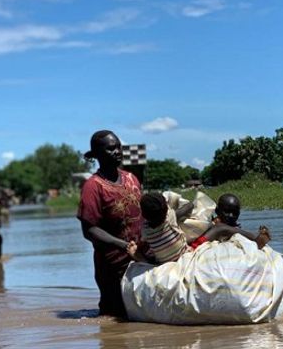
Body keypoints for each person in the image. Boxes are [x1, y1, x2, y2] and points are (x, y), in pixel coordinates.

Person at [77, 130, 151, 317]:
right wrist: (123, 246)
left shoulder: (131, 178)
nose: (117, 151)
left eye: (118, 147)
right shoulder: (93, 187)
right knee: (114, 318)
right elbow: (89, 230)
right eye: (111, 149)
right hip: (112, 267)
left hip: (140, 260)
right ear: (98, 154)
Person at [129, 192, 271, 264]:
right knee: (221, 228)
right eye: (226, 211)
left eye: (234, 213)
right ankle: (255, 238)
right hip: (186, 254)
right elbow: (189, 207)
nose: (231, 216)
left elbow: (144, 242)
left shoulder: (145, 229)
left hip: (163, 261)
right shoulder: (170, 218)